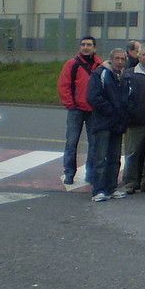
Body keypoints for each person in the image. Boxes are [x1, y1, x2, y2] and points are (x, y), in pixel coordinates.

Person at [85, 48, 130, 201]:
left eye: (122, 59)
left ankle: (111, 188)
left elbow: (127, 98)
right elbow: (93, 97)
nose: (119, 62)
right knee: (100, 157)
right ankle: (98, 190)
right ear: (111, 59)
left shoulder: (124, 76)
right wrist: (111, 110)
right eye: (117, 58)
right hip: (103, 123)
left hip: (118, 124)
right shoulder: (100, 74)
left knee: (115, 157)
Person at [58, 35, 103, 187]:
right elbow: (64, 85)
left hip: (93, 110)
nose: (85, 47)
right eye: (83, 44)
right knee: (71, 142)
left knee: (94, 143)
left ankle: (90, 174)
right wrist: (70, 104)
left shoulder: (100, 65)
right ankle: (69, 173)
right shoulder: (72, 64)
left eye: (89, 44)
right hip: (76, 110)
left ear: (94, 48)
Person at [120, 44, 145, 195]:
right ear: (138, 56)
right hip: (135, 121)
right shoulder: (129, 74)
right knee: (132, 153)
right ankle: (130, 181)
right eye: (144, 54)